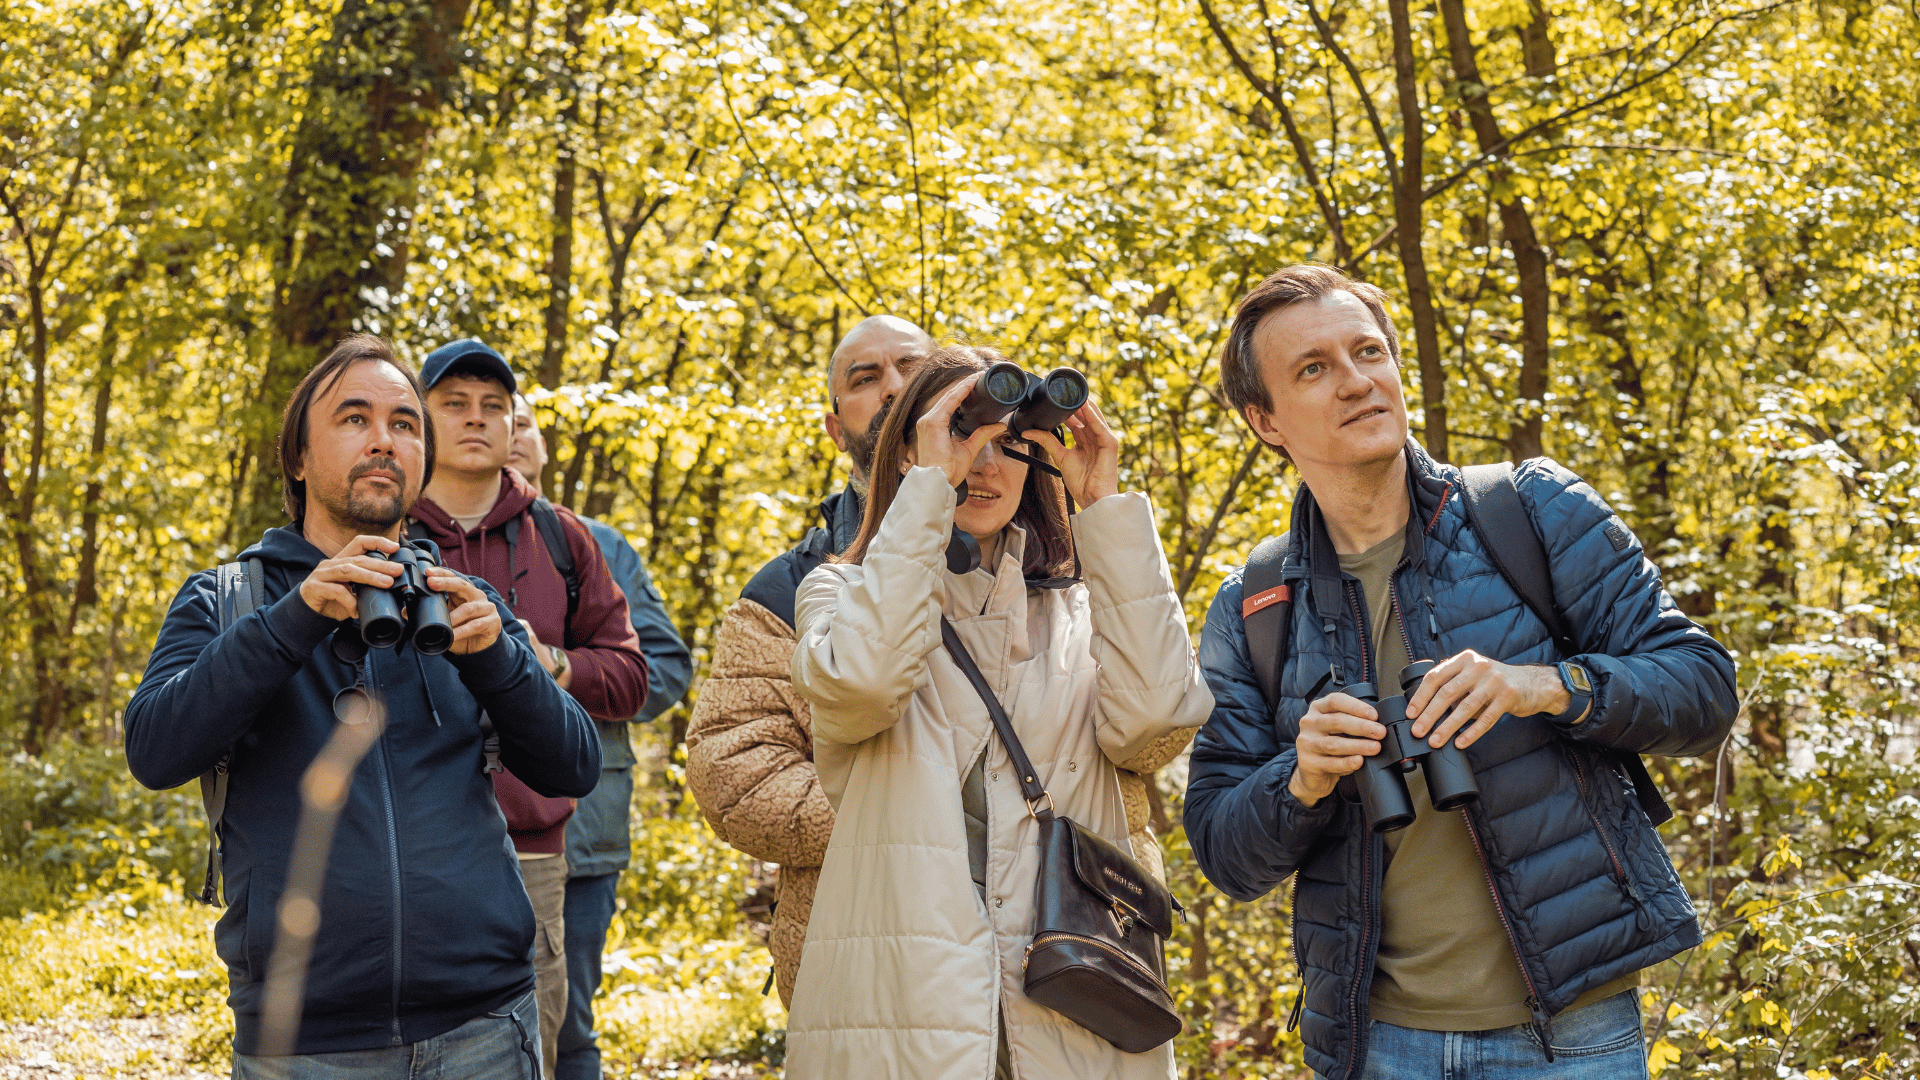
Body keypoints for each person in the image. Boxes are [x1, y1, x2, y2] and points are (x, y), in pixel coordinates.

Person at [1181, 266, 1739, 1080]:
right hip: (1376, 1042)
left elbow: (1704, 689)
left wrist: (1547, 687)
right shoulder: (1256, 604)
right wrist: (1299, 779)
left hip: (1571, 1033)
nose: (1356, 381)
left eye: (1369, 352)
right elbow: (1226, 855)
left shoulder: (1531, 512)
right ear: (1264, 421)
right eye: (1314, 368)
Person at [125, 334, 600, 1077]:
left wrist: (501, 661)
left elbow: (574, 763)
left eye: (406, 424)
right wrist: (294, 621)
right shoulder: (229, 601)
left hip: (485, 1025)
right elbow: (154, 750)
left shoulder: (461, 601)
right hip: (304, 1042)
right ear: (298, 458)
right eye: (354, 419)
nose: (384, 440)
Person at [781, 345, 1213, 1079]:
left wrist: (1105, 509)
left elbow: (1158, 717)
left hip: (1072, 1001)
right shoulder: (839, 595)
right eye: (964, 437)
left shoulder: (1078, 613)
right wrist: (924, 493)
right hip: (904, 1009)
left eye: (1012, 442)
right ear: (911, 453)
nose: (986, 465)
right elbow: (863, 682)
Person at [406, 340, 651, 1080]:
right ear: (422, 419)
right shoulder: (385, 530)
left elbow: (633, 674)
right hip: (407, 847)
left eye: (493, 407)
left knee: (529, 1054)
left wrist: (552, 663)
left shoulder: (562, 537)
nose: (476, 421)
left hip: (534, 852)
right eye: (454, 405)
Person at [681, 314, 928, 1007]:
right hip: (858, 957)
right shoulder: (786, 590)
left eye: (911, 367)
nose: (893, 388)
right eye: (865, 378)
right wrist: (910, 817)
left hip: (1042, 956)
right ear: (834, 426)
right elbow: (734, 773)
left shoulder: (1046, 555)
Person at [504, 393, 694, 1080]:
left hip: (583, 834)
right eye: (496, 420)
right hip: (464, 828)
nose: (510, 434)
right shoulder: (423, 537)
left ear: (543, 445)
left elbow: (666, 669)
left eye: (523, 422)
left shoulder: (599, 545)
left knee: (568, 1023)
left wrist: (558, 667)